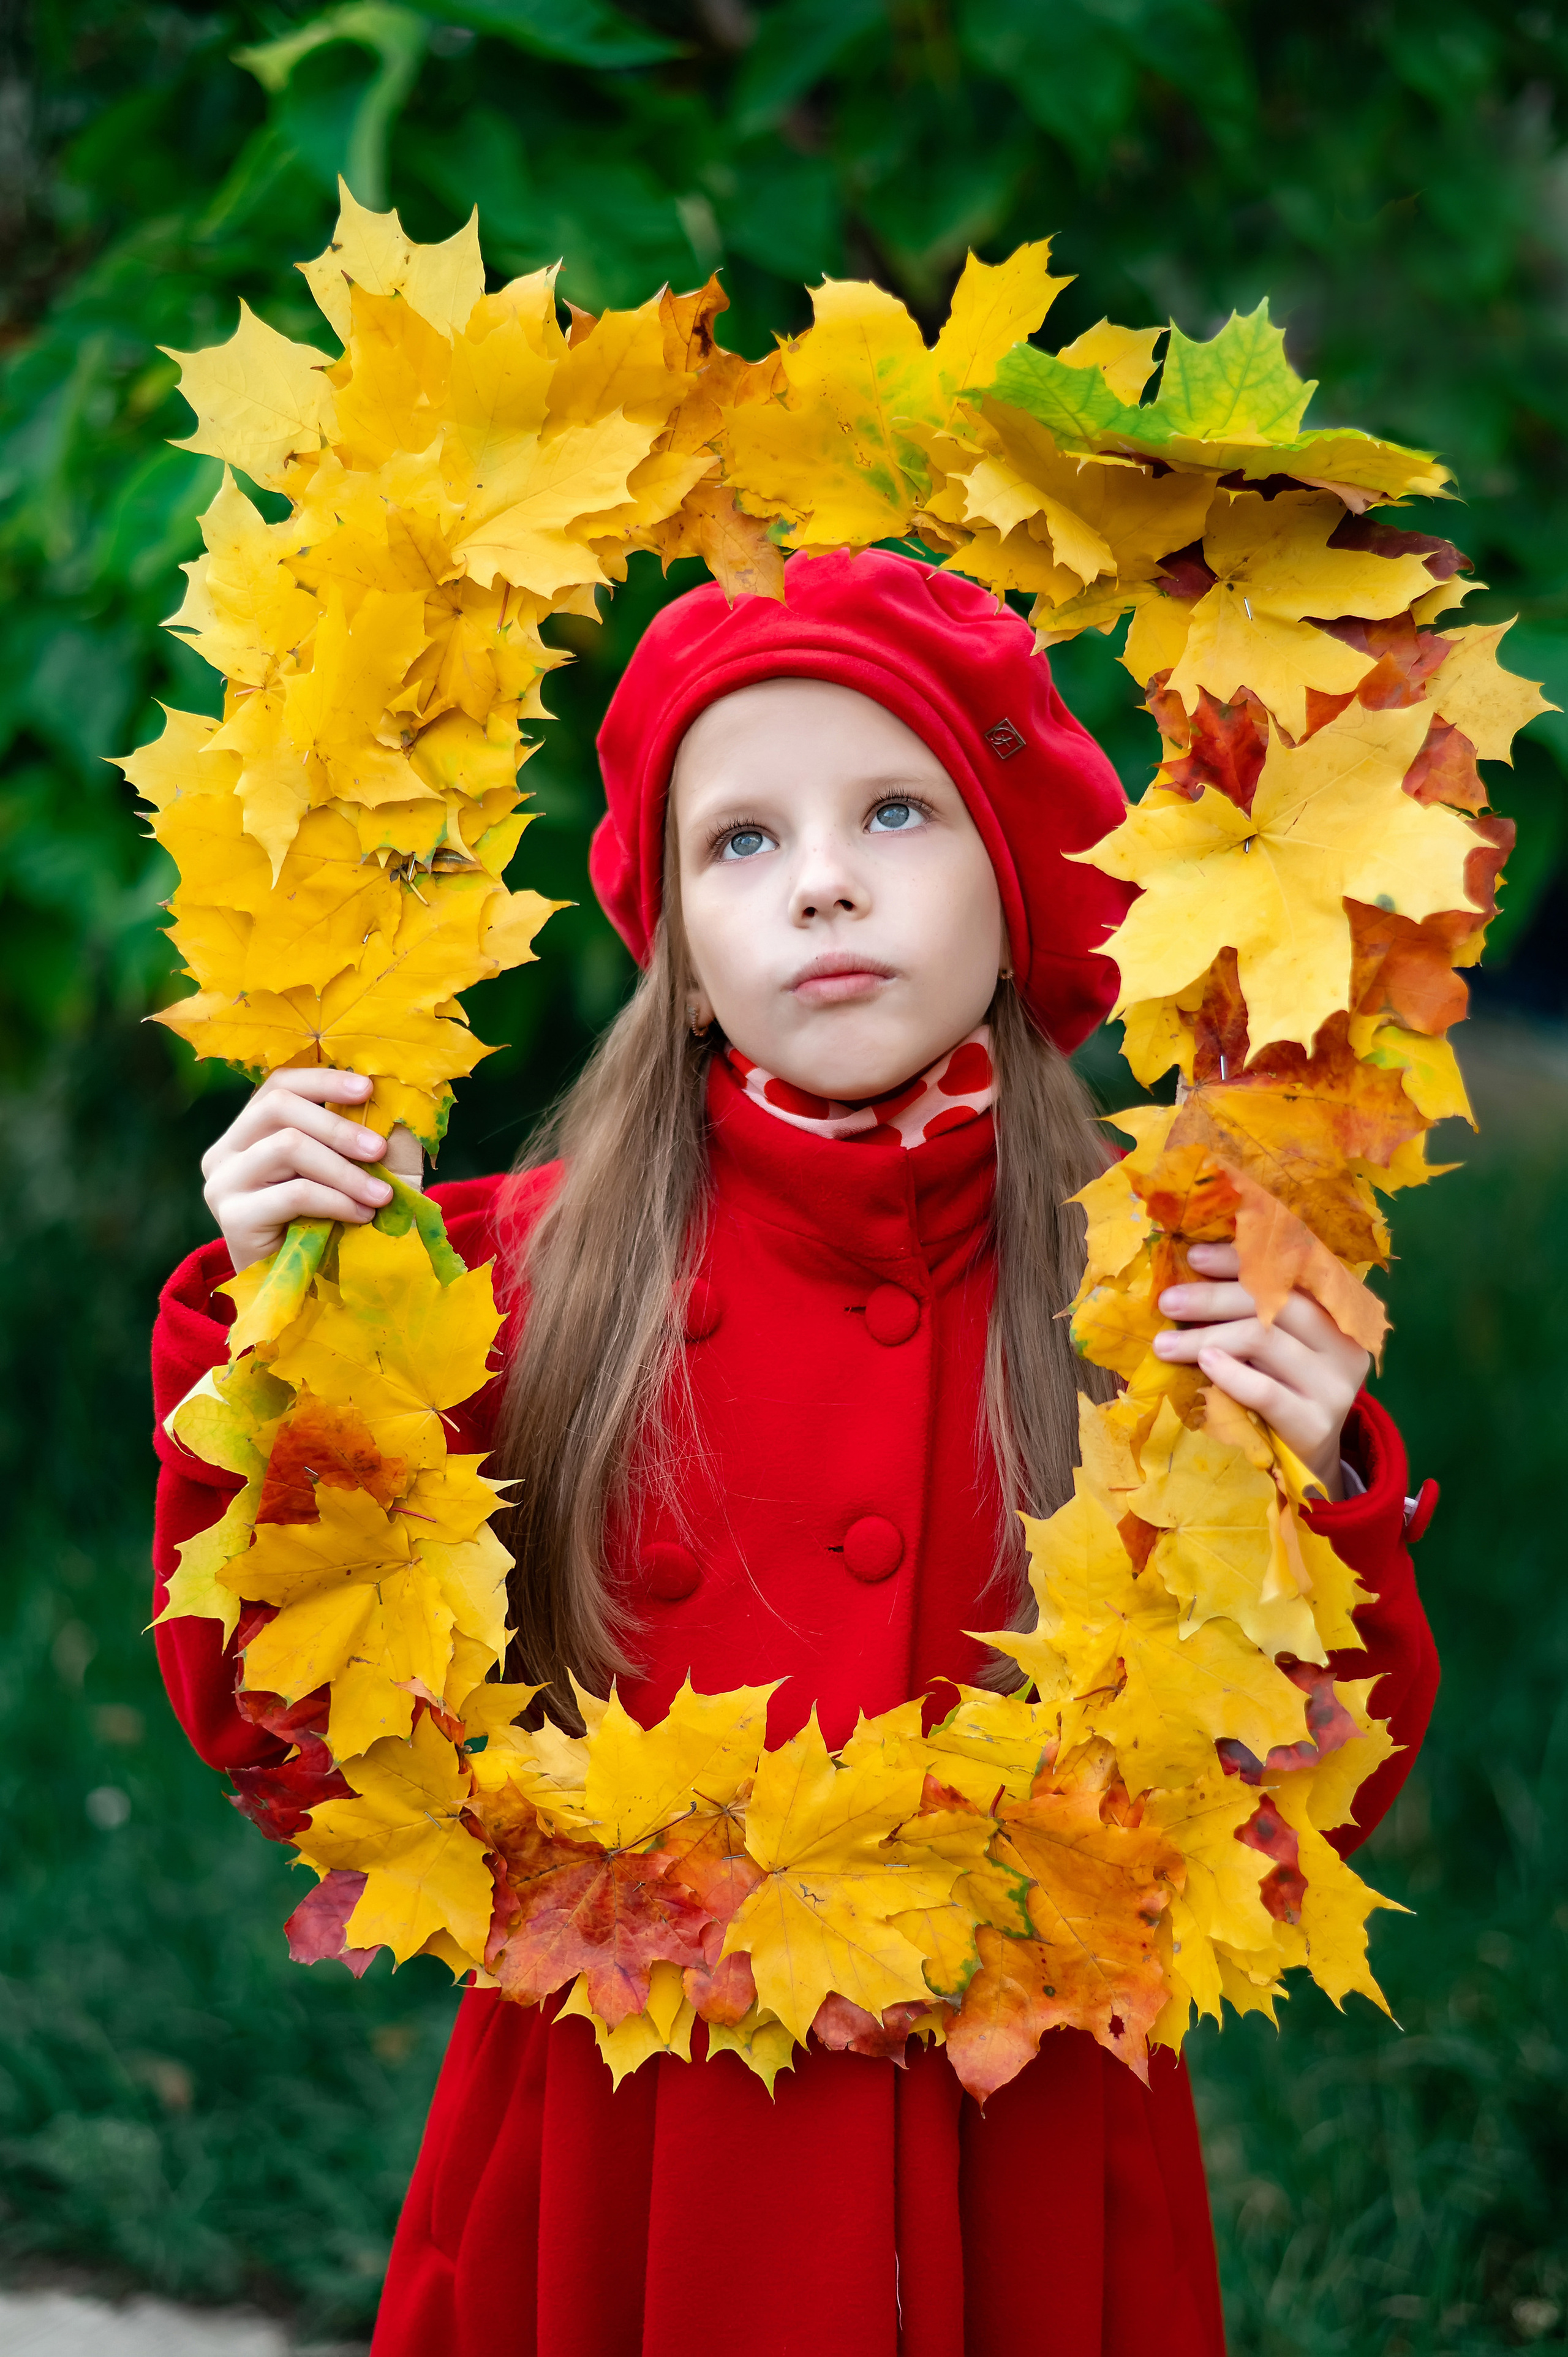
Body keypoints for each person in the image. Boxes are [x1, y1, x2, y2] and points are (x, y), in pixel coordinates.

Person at [150, 550, 1439, 2357]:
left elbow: (1298, 1813)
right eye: (740, 841)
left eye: (895, 810)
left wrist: (1310, 1494)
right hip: (622, 2149)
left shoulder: (1160, 1295)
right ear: (678, 960)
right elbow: (282, 1726)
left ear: (1024, 899)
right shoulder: (502, 1278)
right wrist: (280, 1329)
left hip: (1017, 2152)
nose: (823, 877)